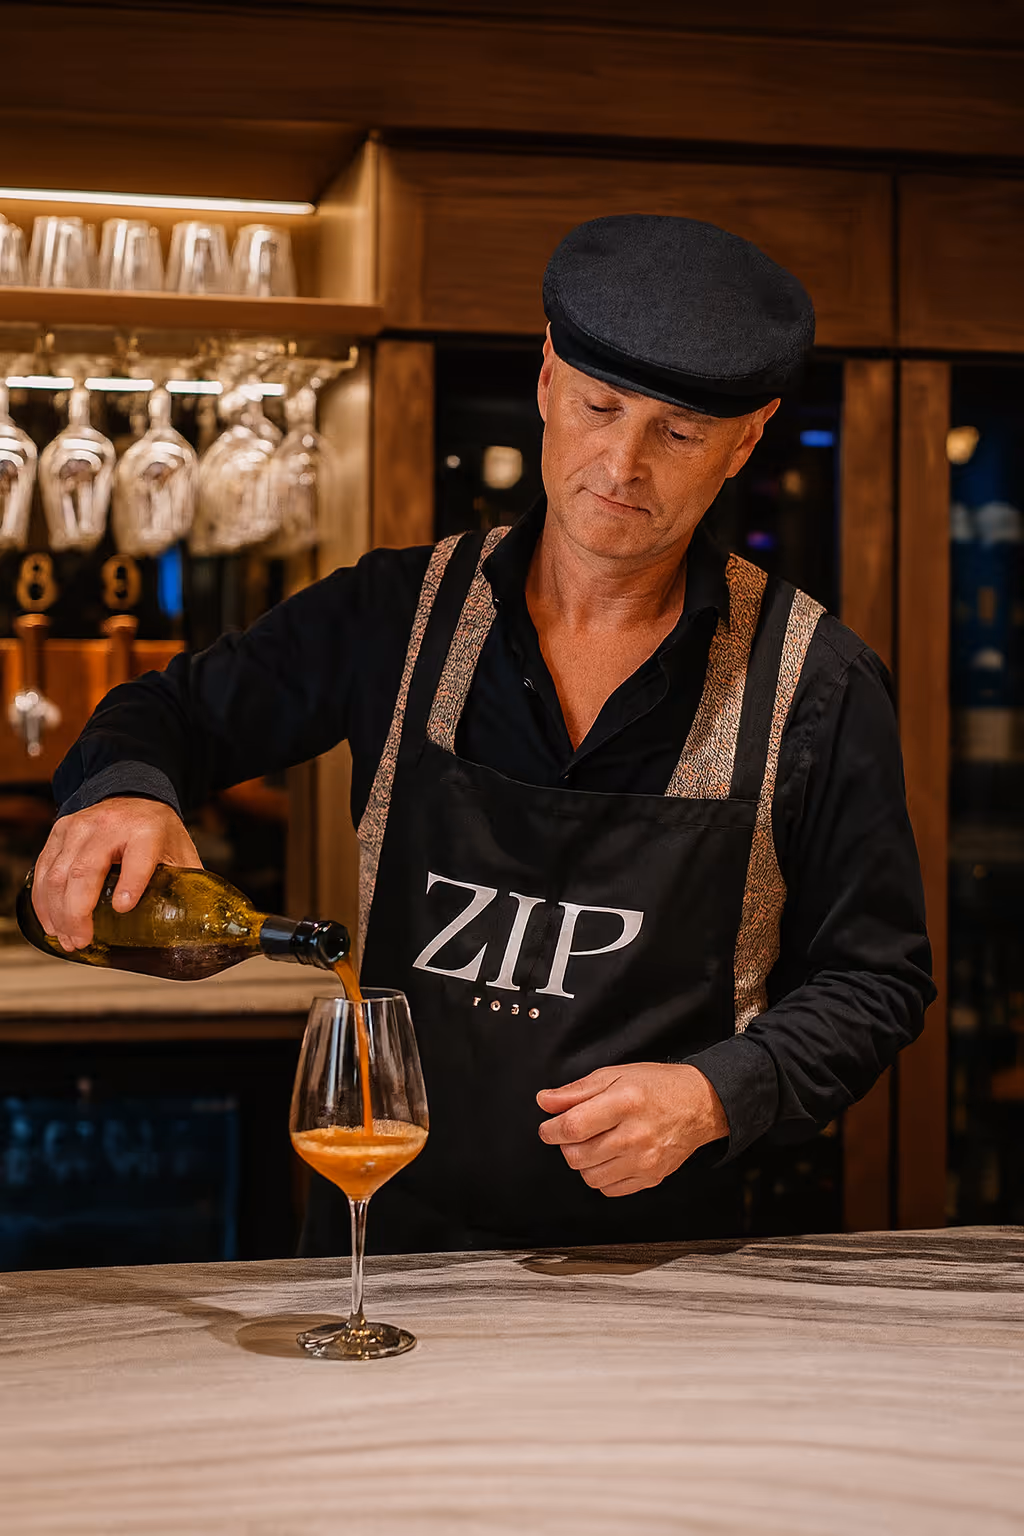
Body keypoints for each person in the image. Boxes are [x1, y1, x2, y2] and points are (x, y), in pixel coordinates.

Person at [32, 215, 934, 1253]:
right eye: (598, 407)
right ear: (546, 379)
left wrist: (716, 1093)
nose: (623, 464)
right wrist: (126, 792)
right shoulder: (394, 613)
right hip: (384, 1239)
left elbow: (875, 980)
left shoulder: (816, 682)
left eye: (679, 434)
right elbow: (171, 713)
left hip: (660, 1263)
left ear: (747, 438)